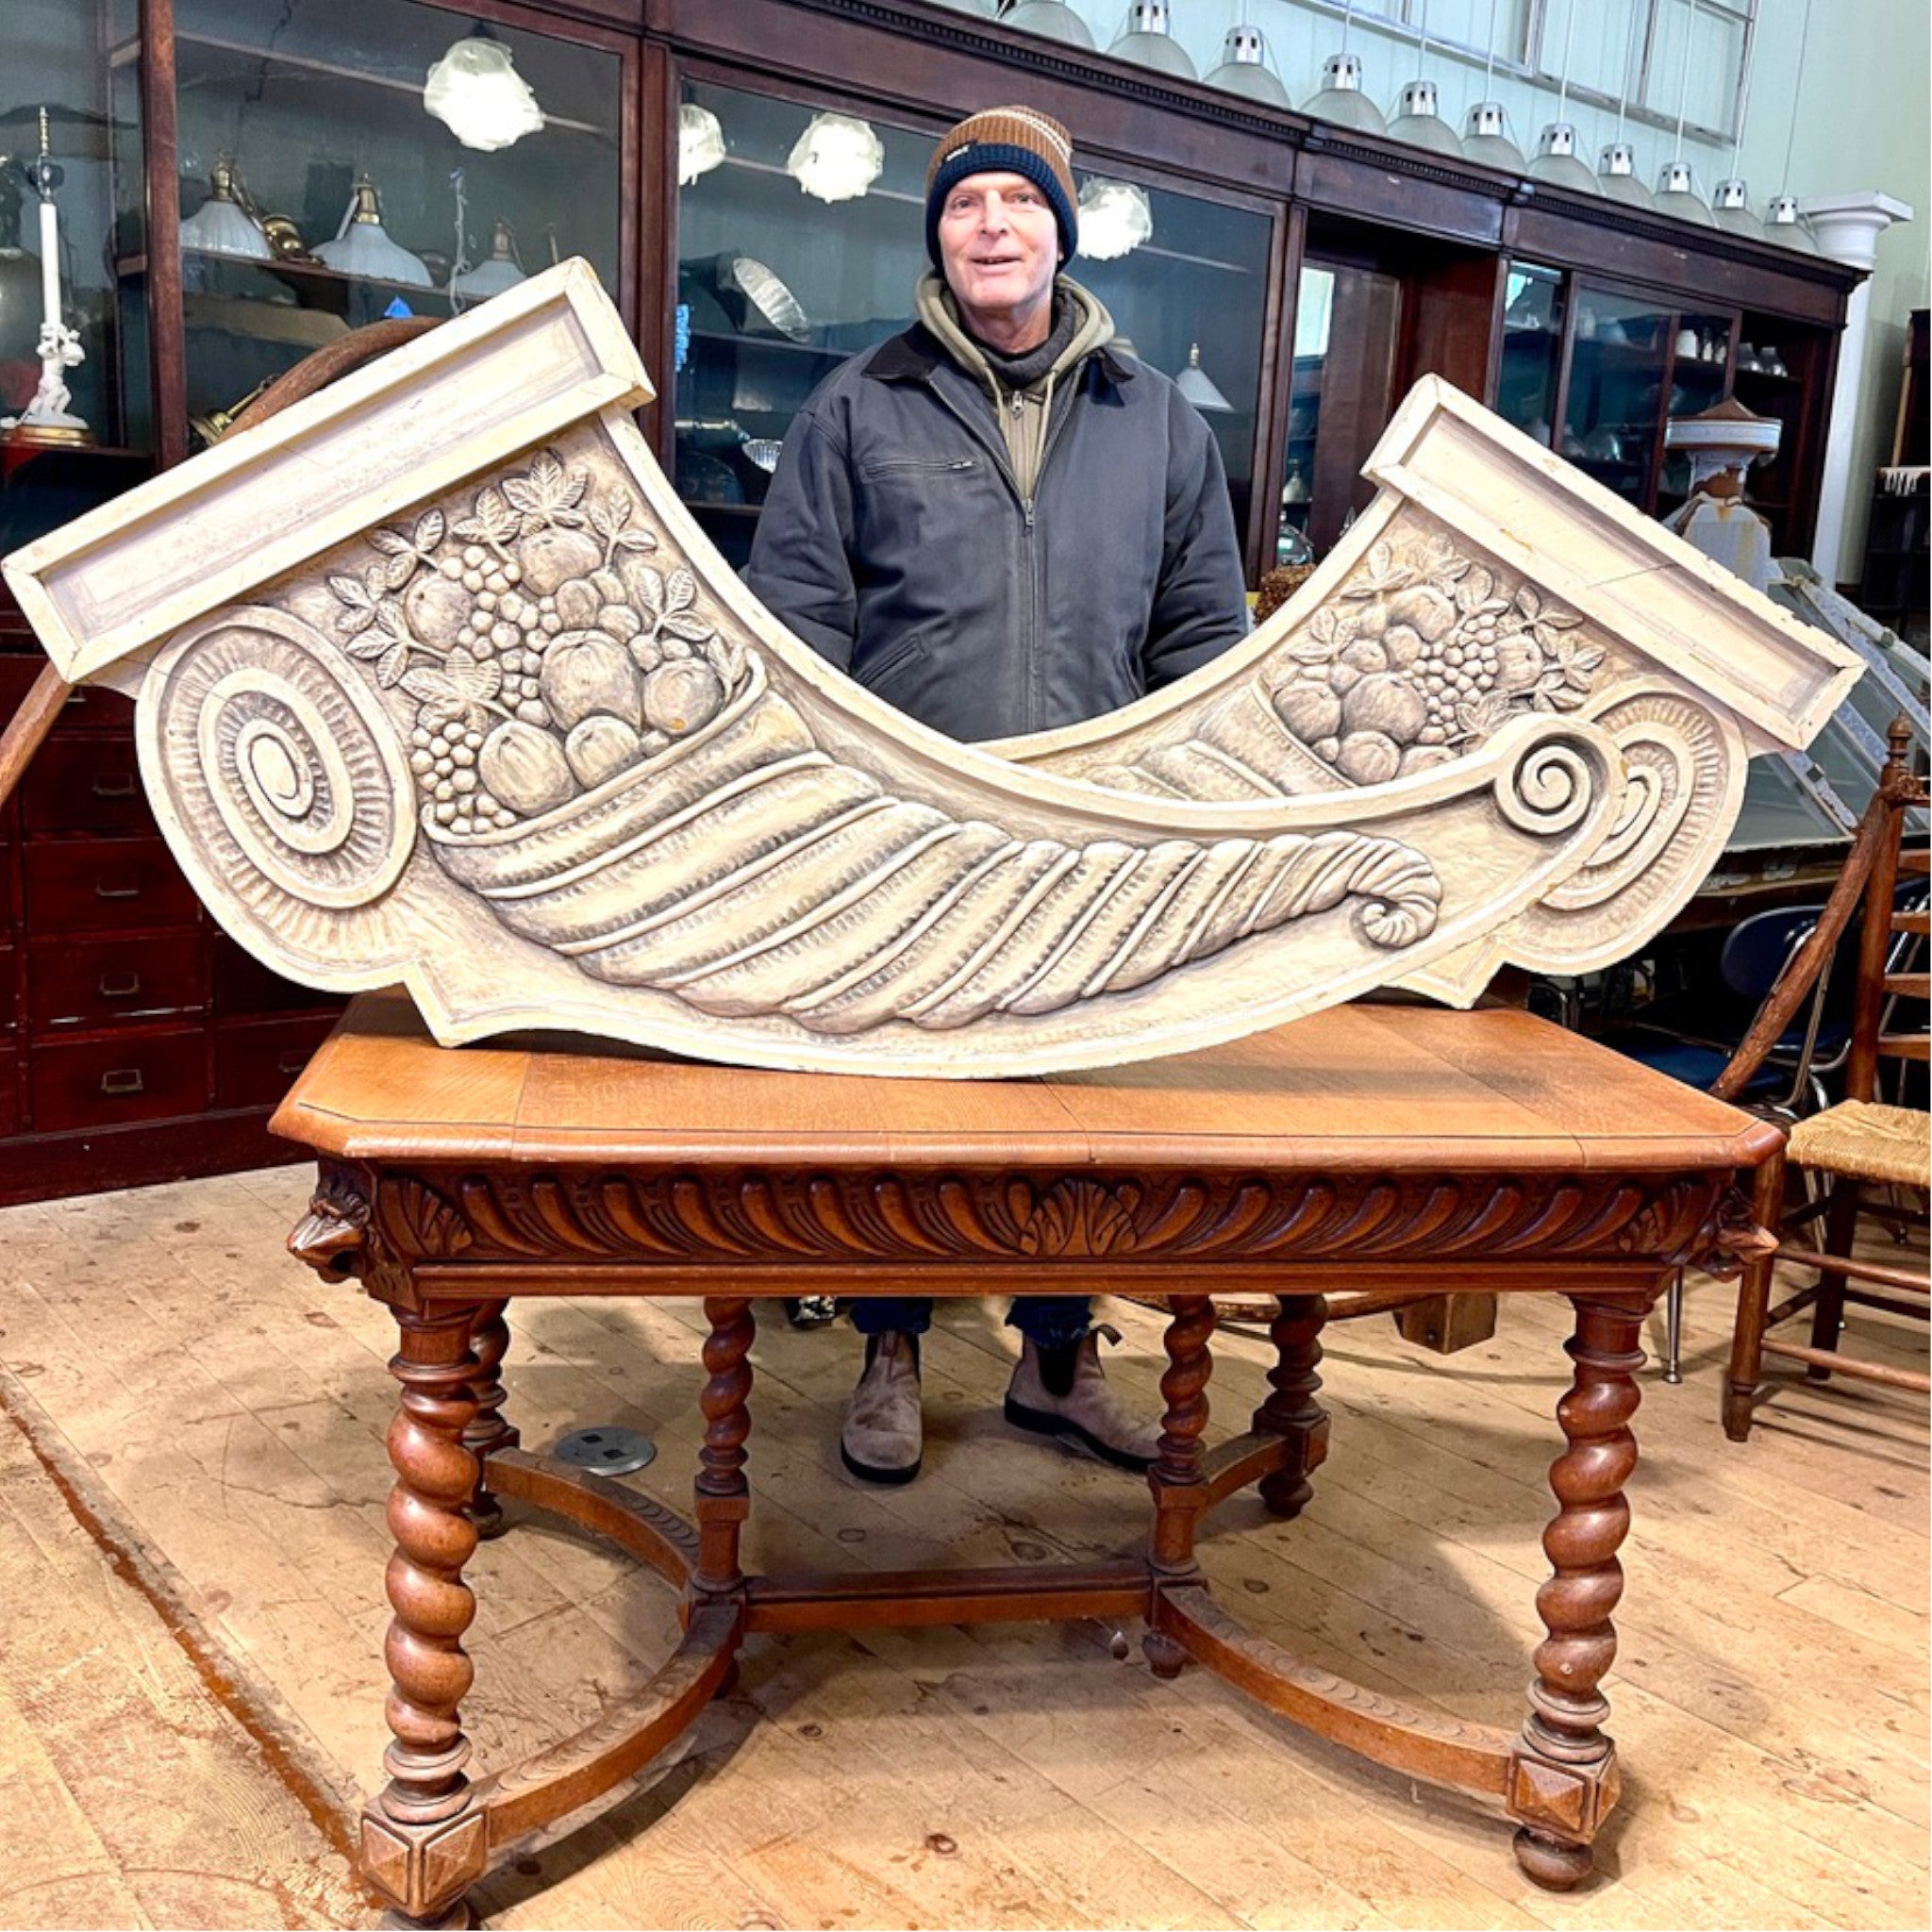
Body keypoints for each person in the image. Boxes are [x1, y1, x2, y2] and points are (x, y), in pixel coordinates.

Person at [745, 105, 1251, 1486]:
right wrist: (827, 805)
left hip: (1093, 829)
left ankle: (1054, 1355)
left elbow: (1204, 629)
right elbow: (797, 616)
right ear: (939, 234)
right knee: (909, 1111)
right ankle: (891, 1343)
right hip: (909, 825)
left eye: (1018, 204)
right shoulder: (862, 402)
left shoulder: (1154, 420)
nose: (993, 228)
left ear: (1060, 231)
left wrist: (1179, 799)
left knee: (1075, 1119)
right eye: (967, 206)